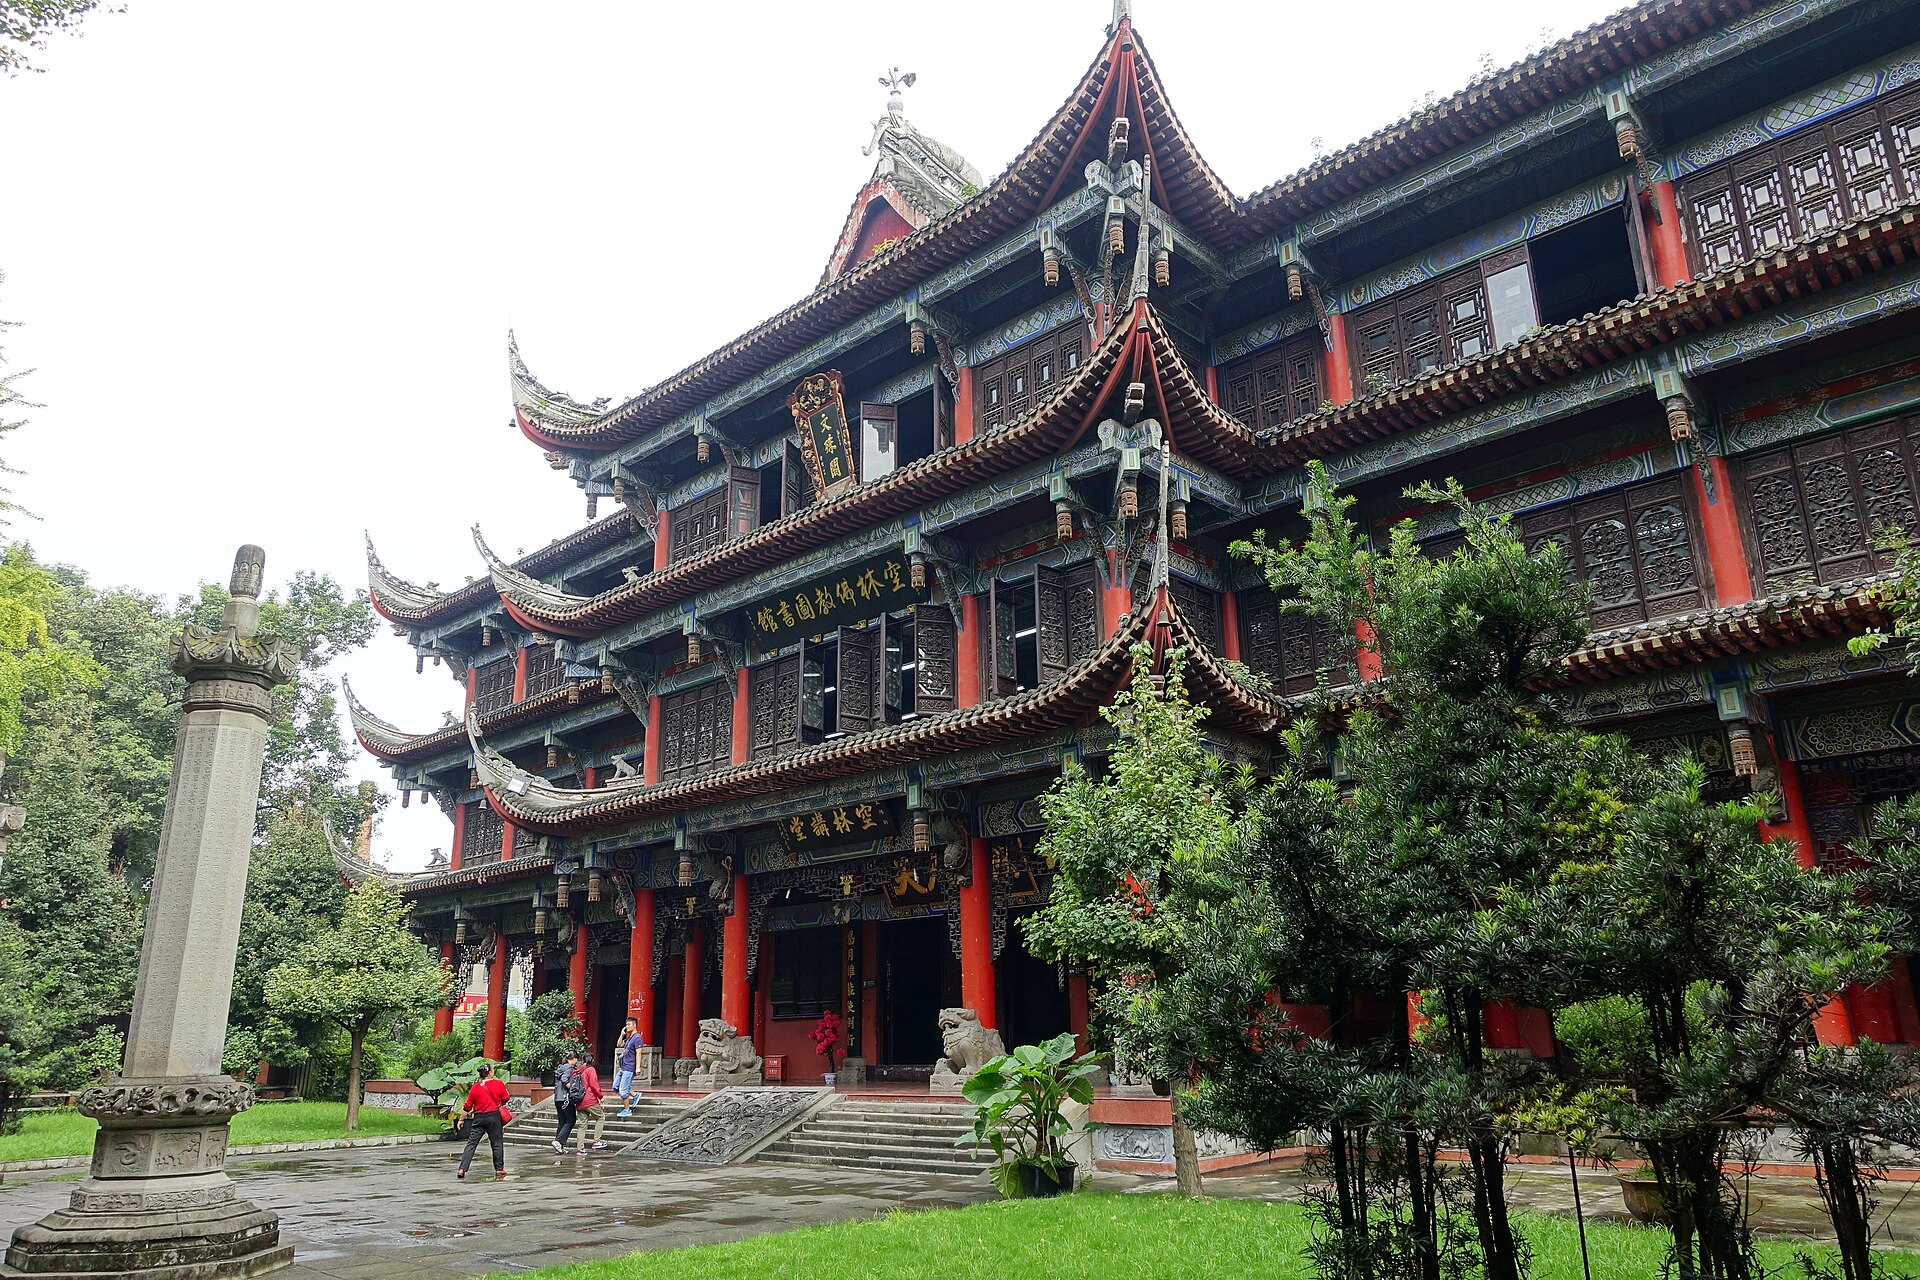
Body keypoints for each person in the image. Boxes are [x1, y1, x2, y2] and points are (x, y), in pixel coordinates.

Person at [456, 1062, 510, 1181]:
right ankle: (499, 1169)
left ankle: (462, 1169)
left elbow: (467, 1106)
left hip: (479, 1118)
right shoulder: (498, 1084)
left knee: (471, 1144)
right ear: (490, 1073)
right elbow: (506, 1098)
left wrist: (461, 1119)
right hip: (494, 1117)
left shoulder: (475, 1087)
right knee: (496, 1143)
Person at [570, 1049, 608, 1154]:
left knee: (582, 1125)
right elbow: (594, 1085)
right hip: (589, 1099)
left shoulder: (578, 1070)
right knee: (600, 1117)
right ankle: (597, 1141)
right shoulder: (590, 1070)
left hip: (579, 1100)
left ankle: (580, 1149)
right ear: (592, 1060)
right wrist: (601, 1097)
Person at [551, 1053, 583, 1153]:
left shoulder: (560, 1069)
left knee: (562, 1122)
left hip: (558, 1098)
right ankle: (558, 1141)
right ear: (573, 1059)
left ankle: (559, 1147)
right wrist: (573, 1089)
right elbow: (565, 1080)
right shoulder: (569, 1069)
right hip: (566, 1098)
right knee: (571, 1120)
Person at [613, 1018, 644, 1117]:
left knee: (623, 1091)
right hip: (623, 1066)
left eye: (629, 1024)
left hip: (629, 1067)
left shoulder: (637, 1037)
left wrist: (638, 1067)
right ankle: (635, 1095)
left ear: (634, 1025)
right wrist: (622, 1034)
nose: (627, 1026)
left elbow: (639, 1052)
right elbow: (619, 1044)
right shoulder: (630, 1038)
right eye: (626, 1024)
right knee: (616, 1086)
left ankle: (627, 1110)